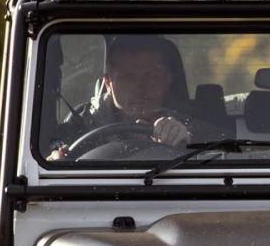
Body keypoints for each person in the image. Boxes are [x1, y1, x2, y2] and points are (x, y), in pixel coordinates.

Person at [46, 35, 196, 159]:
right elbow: (43, 168)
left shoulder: (194, 125)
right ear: (108, 83)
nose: (140, 88)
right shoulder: (77, 130)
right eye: (128, 78)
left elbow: (213, 153)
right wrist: (56, 160)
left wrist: (184, 144)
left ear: (167, 80)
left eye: (151, 77)